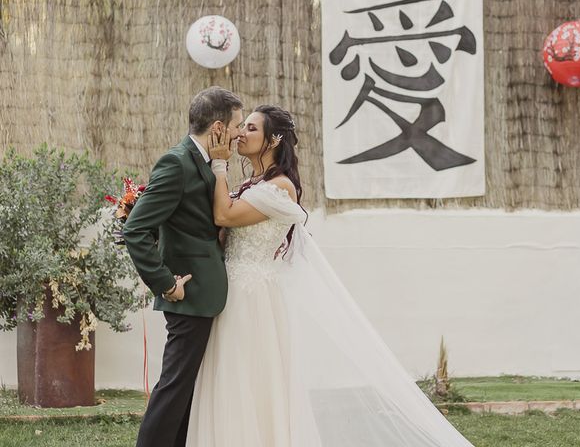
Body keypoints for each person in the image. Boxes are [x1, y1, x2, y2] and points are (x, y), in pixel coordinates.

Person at [185, 105, 476, 446]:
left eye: (251, 128)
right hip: (232, 294)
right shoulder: (252, 183)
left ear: (274, 139)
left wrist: (219, 164)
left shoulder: (280, 188)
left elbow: (225, 215)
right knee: (231, 381)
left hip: (254, 301)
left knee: (254, 382)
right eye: (243, 126)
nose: (241, 133)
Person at [123, 86, 244, 447]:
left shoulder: (205, 162)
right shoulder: (176, 162)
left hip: (205, 295)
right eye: (237, 125)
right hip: (188, 294)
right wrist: (165, 283)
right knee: (175, 386)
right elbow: (136, 229)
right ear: (219, 127)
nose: (240, 133)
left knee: (186, 386)